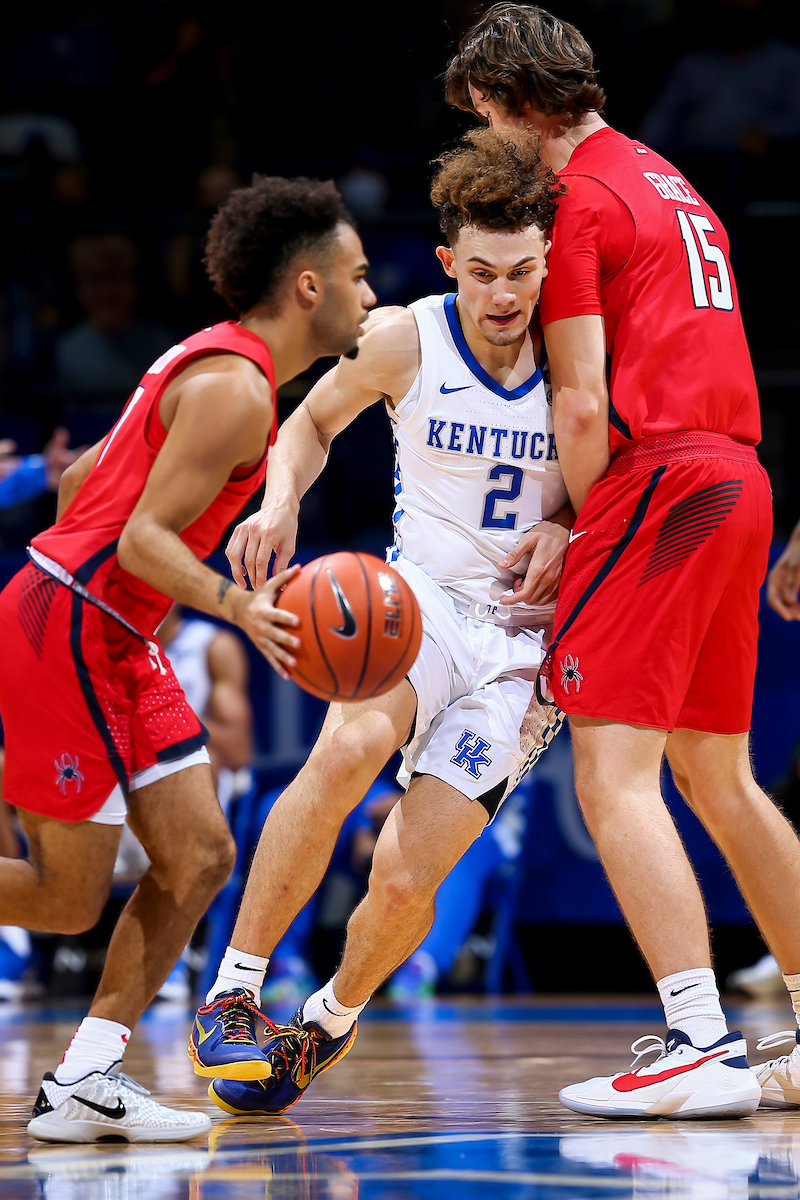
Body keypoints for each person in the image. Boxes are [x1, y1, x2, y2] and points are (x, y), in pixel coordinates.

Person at [445, 2, 800, 1119]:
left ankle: (696, 1036)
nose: (481, 145)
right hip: (736, 474)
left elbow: (582, 398)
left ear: (509, 104)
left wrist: (581, 520)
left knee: (610, 770)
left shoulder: (580, 201)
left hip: (661, 482)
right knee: (714, 773)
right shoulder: (663, 177)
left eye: (480, 121)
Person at [188, 128, 570, 1117]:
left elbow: (620, 489)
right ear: (449, 262)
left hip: (524, 650)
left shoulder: (586, 359)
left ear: (548, 262)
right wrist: (277, 504)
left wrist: (568, 526)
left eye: (521, 272)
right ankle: (232, 989)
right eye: (480, 271)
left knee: (405, 877)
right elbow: (308, 423)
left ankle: (328, 1018)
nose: (501, 295)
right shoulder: (406, 334)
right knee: (348, 745)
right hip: (419, 606)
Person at [0, 174, 375, 1142]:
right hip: (74, 622)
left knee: (201, 855)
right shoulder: (239, 389)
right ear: (306, 287)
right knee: (64, 898)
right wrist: (234, 604)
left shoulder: (208, 366)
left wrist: (144, 559)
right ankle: (85, 1078)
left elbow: (84, 479)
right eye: (357, 276)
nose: (368, 295)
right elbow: (136, 543)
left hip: (111, 628)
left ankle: (85, 1081)